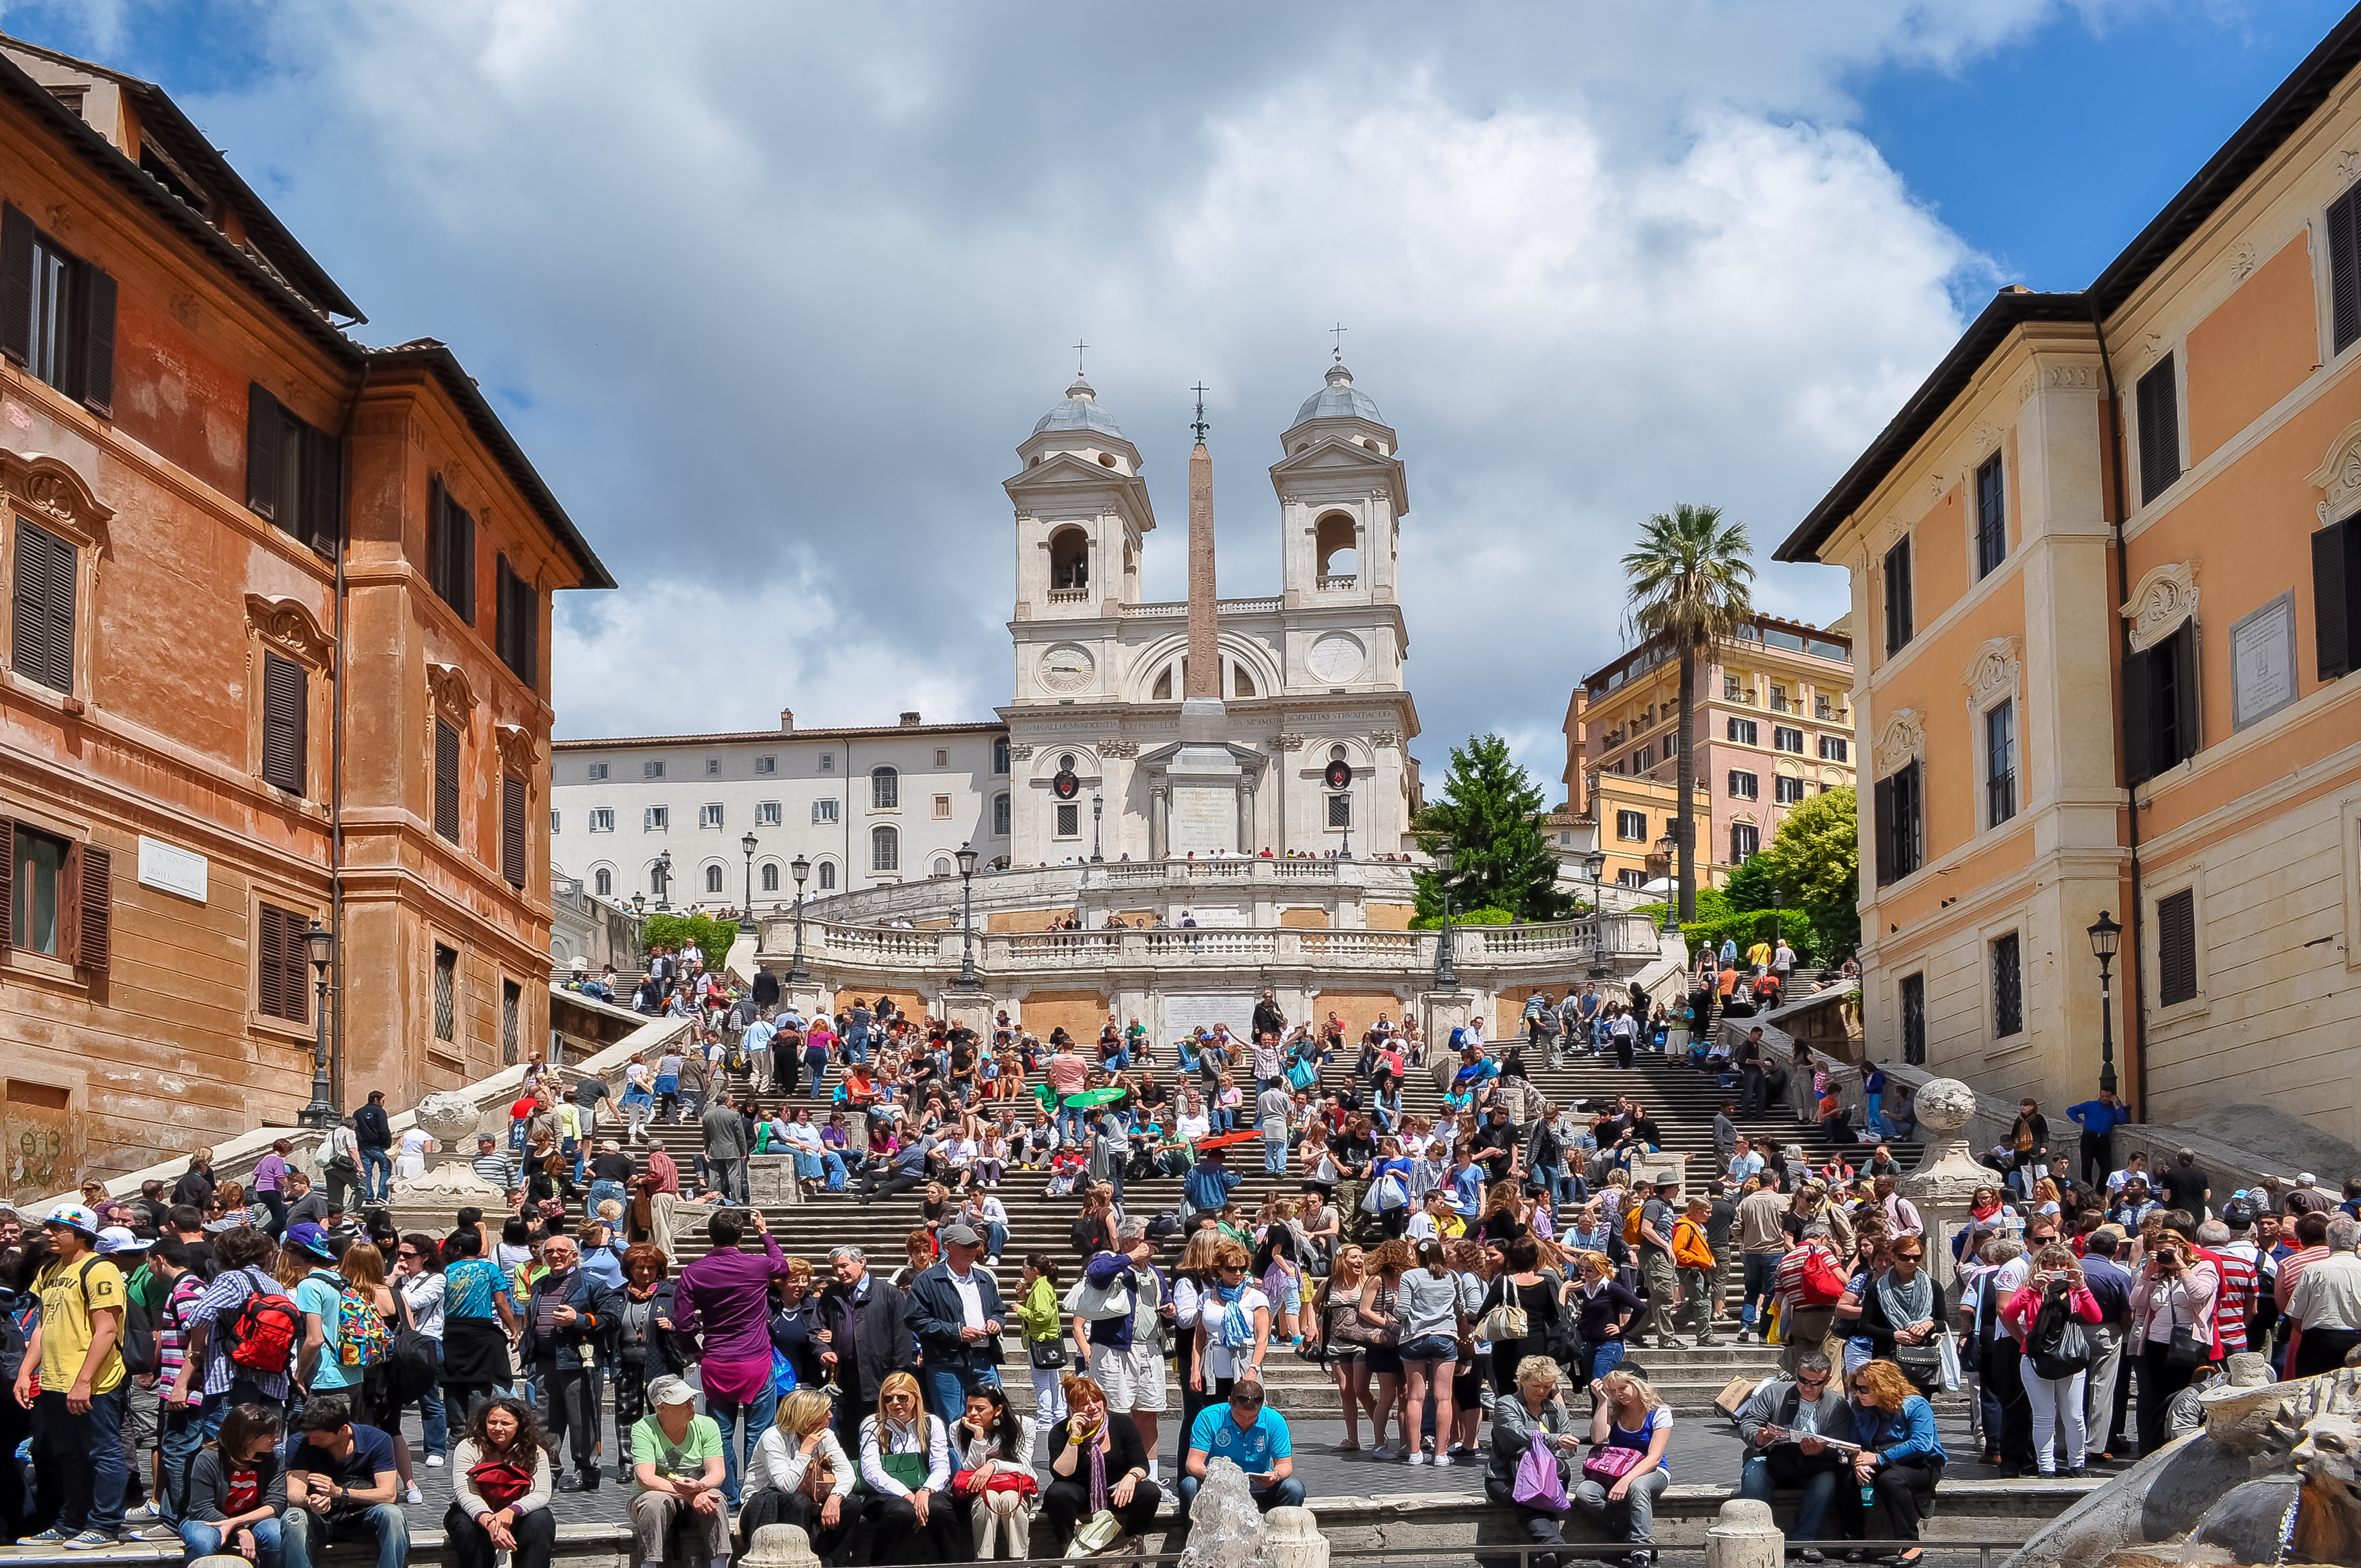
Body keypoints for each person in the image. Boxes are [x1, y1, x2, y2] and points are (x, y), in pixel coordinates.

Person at [15, 1202, 131, 1547]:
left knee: (103, 1453)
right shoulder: (50, 1270)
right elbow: (42, 1327)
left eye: (56, 1228)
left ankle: (105, 1525)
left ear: (81, 1234)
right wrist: (25, 1372)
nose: (48, 1233)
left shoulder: (100, 1270)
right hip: (55, 1381)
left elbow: (107, 1331)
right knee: (69, 1455)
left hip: (93, 1383)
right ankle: (70, 1522)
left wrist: (83, 1381)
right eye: (48, 1226)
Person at [673, 1206, 797, 1504]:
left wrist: (694, 1350)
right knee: (759, 1431)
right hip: (756, 1359)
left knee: (721, 1433)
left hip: (717, 1361)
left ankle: (728, 1493)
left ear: (710, 1235)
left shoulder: (694, 1272)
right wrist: (765, 1233)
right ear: (741, 1235)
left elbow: (682, 1322)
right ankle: (755, 1492)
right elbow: (782, 1266)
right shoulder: (756, 1266)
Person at [1071, 1219, 1171, 1474]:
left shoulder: (1156, 1273)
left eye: (1152, 1241)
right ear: (1127, 1241)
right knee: (1110, 1412)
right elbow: (1096, 1274)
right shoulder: (1112, 1262)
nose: (1150, 1246)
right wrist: (1130, 1257)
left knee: (1148, 1413)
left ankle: (1151, 1475)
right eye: (1143, 1240)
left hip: (1150, 1350)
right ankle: (1107, 1471)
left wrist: (1170, 1311)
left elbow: (1165, 1301)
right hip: (1114, 1349)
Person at [1735, 1352, 1853, 1548]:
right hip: (1772, 1458)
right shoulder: (1775, 1392)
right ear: (1796, 1373)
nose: (1808, 1387)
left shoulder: (1837, 1404)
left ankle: (1803, 1541)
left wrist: (1820, 1452)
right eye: (1803, 1380)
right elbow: (1749, 1422)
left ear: (1828, 1379)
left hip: (1813, 1465)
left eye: (1816, 1383)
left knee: (1828, 1481)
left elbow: (1839, 1443)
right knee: (1754, 1471)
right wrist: (1759, 1436)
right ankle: (1754, 1536)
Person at [2004, 1244, 2102, 1478]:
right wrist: (2033, 1289)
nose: (2058, 1269)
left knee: (2074, 1415)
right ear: (2041, 1266)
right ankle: (2046, 1467)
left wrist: (2082, 1288)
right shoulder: (2030, 1289)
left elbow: (2095, 1316)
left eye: (2063, 1265)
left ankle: (2078, 1464)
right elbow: (2009, 1313)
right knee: (2043, 1415)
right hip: (2036, 1357)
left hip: (2070, 1356)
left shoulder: (2075, 1291)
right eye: (2051, 1265)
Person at [279, 1393, 407, 1568]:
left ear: (343, 1430)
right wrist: (309, 1501)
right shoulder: (299, 1442)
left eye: (319, 1437)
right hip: (320, 1519)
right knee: (293, 1517)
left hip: (362, 1517)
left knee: (392, 1515)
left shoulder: (377, 1440)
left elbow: (389, 1495)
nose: (311, 1441)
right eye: (309, 1435)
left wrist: (340, 1493)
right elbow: (294, 1494)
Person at [817, 1245, 917, 1457]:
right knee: (847, 1435)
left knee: (881, 1432)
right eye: (835, 1268)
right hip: (843, 1379)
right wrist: (822, 1350)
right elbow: (815, 1329)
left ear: (861, 1262)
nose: (839, 1272)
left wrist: (897, 1377)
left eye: (844, 1266)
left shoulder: (888, 1294)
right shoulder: (831, 1294)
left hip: (879, 1377)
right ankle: (852, 1480)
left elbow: (902, 1337)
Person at [1844, 1359, 1947, 1566]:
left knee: (1892, 1481)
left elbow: (1921, 1444)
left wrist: (1880, 1458)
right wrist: (1858, 1460)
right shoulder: (1859, 1408)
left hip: (1920, 1463)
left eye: (1864, 1389)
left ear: (1883, 1387)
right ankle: (1855, 1540)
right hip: (1877, 1459)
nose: (1858, 1394)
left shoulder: (1915, 1405)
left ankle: (1910, 1543)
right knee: (1847, 1478)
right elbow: (1853, 1442)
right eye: (1856, 1388)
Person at [1043, 1374, 1161, 1554]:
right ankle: (1069, 1550)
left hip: (1117, 1492)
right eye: (1084, 1403)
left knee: (1150, 1491)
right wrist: (1074, 1438)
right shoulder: (1060, 1431)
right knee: (1056, 1493)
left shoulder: (1122, 1423)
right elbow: (1061, 1474)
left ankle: (1130, 1543)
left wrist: (1131, 1477)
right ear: (1072, 1409)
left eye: (1096, 1400)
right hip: (1079, 1494)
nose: (1092, 1407)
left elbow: (1141, 1463)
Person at [858, 1370, 967, 1564]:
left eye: (902, 1397)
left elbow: (941, 1466)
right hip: (886, 1492)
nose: (895, 1403)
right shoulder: (872, 1424)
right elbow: (871, 1470)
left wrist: (925, 1491)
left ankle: (953, 1563)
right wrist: (909, 1496)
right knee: (901, 1512)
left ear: (915, 1398)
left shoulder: (932, 1423)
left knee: (940, 1509)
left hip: (928, 1487)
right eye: (888, 1398)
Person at [1486, 1354, 1584, 1568]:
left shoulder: (1557, 1409)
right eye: (1536, 1385)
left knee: (1545, 1495)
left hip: (1547, 1478)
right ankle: (1554, 1545)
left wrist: (1566, 1445)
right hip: (1504, 1477)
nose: (1542, 1391)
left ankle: (1550, 1549)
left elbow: (1566, 1452)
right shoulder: (1506, 1404)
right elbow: (1518, 1433)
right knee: (1527, 1499)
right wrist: (1555, 1439)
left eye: (1547, 1386)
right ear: (1521, 1381)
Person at [905, 1222, 1007, 1425]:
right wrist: (956, 1332)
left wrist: (996, 1322)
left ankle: (991, 1457)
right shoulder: (928, 1280)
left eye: (974, 1246)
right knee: (953, 1423)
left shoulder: (984, 1278)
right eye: (965, 1246)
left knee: (994, 1418)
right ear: (947, 1247)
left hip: (984, 1358)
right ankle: (956, 1458)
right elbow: (914, 1319)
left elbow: (999, 1311)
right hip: (946, 1364)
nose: (972, 1250)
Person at [1571, 1368, 1672, 1567]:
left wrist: (1625, 1482)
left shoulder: (1660, 1413)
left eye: (1623, 1388)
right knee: (1585, 1492)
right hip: (1613, 1471)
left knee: (1638, 1487)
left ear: (1638, 1385)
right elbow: (1598, 1438)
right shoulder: (1614, 1409)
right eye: (1614, 1390)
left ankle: (1640, 1552)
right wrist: (1602, 1401)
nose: (1618, 1394)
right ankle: (1631, 1535)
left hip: (1652, 1471)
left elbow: (1654, 1457)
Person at [738, 1389, 854, 1559]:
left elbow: (847, 1472)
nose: (830, 1416)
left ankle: (838, 1563)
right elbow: (787, 1486)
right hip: (766, 1498)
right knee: (798, 1502)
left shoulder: (826, 1434)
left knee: (851, 1503)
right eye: (825, 1412)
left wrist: (835, 1498)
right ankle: (797, 1560)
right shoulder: (773, 1437)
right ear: (807, 1416)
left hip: (809, 1495)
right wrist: (805, 1451)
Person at [627, 1376, 729, 1568]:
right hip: (655, 1497)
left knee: (716, 1498)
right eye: (683, 1402)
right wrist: (689, 1494)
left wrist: (700, 1488)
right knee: (654, 1502)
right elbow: (645, 1478)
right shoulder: (643, 1428)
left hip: (698, 1494)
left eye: (692, 1399)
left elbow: (718, 1473)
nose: (691, 1405)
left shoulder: (707, 1425)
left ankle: (720, 1564)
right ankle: (650, 1565)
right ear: (662, 1407)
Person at [443, 1396, 554, 1568]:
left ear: (520, 1426)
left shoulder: (536, 1452)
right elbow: (465, 1491)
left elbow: (542, 1492)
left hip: (516, 1514)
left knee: (541, 1520)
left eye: (506, 1423)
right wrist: (490, 1521)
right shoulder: (468, 1447)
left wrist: (511, 1511)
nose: (498, 1428)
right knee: (466, 1528)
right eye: (492, 1422)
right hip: (475, 1514)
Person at [179, 1402, 287, 1568]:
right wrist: (241, 1530)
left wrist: (236, 1523)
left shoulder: (275, 1458)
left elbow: (276, 1504)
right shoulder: (208, 1459)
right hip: (210, 1520)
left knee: (275, 1534)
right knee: (201, 1540)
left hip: (256, 1520)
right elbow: (201, 1508)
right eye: (270, 1435)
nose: (277, 1439)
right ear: (248, 1436)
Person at [1178, 1378, 1301, 1520]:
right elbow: (1193, 1463)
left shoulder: (1274, 1420)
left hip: (1257, 1487)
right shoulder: (1209, 1417)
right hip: (1218, 1487)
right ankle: (1190, 1538)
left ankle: (1281, 1533)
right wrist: (1213, 1476)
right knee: (1189, 1485)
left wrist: (1276, 1475)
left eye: (1253, 1417)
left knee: (1294, 1487)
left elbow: (1285, 1464)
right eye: (1240, 1416)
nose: (1246, 1421)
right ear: (1230, 1401)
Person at [1392, 1238, 1466, 1466]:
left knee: (1415, 1396)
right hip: (1446, 1336)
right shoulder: (1452, 1277)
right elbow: (1462, 1307)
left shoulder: (1410, 1276)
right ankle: (1441, 1454)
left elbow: (1402, 1311)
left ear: (1418, 1255)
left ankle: (1415, 1452)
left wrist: (1396, 1304)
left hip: (1415, 1337)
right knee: (1443, 1397)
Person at [437, 1227, 518, 1420]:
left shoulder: (448, 1270)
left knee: (452, 1381)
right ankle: (477, 1426)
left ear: (458, 1249)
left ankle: (456, 1429)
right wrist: (513, 1330)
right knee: (479, 1382)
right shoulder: (490, 1269)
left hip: (451, 1330)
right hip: (480, 1332)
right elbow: (501, 1303)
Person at [950, 1384, 1037, 1560]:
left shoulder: (1024, 1425)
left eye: (980, 1409)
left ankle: (1018, 1561)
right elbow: (971, 1470)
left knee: (1010, 1499)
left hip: (1016, 1488)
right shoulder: (957, 1429)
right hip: (979, 1490)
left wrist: (994, 1466)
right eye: (969, 1408)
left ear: (998, 1410)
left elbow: (1024, 1466)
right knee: (987, 1498)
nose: (973, 1413)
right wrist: (978, 1437)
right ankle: (984, 1560)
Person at [2284, 1214, 2361, 1376]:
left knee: (2312, 1393)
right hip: (2357, 1339)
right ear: (2356, 1242)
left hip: (2318, 1341)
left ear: (2328, 1240)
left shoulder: (2313, 1269)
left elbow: (2295, 1313)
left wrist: (2309, 1333)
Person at [700, 1090, 752, 1204]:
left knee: (715, 1177)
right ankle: (736, 1200)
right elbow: (740, 1135)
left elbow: (706, 1135)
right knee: (735, 1177)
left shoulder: (707, 1115)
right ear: (727, 1102)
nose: (732, 1102)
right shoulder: (734, 1115)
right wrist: (744, 1151)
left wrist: (707, 1149)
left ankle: (713, 1199)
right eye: (732, 1100)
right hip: (731, 1151)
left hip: (714, 1150)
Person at [353, 1093, 394, 1205]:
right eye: (383, 1100)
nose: (383, 1103)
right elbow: (384, 1129)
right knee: (385, 1170)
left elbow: (355, 1130)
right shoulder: (380, 1112)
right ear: (376, 1100)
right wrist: (388, 1143)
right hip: (380, 1146)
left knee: (366, 1172)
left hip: (364, 1147)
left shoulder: (357, 1113)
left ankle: (368, 1196)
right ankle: (382, 1196)